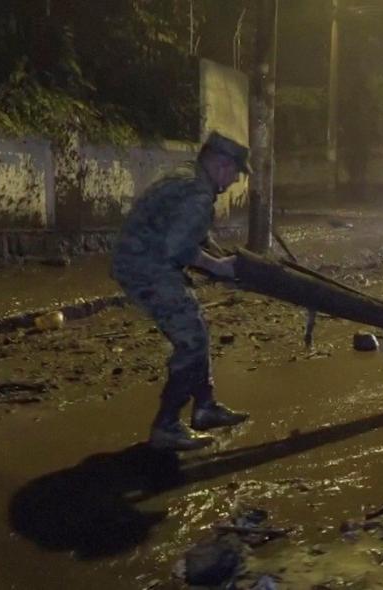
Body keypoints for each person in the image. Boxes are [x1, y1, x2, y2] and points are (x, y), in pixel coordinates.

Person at [112, 132, 251, 451]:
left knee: (196, 325)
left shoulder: (189, 175)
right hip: (146, 266)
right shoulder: (197, 192)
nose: (234, 182)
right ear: (221, 164)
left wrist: (222, 259)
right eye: (235, 174)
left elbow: (194, 235)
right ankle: (167, 425)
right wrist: (218, 268)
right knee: (192, 340)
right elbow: (178, 248)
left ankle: (204, 407)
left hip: (143, 258)